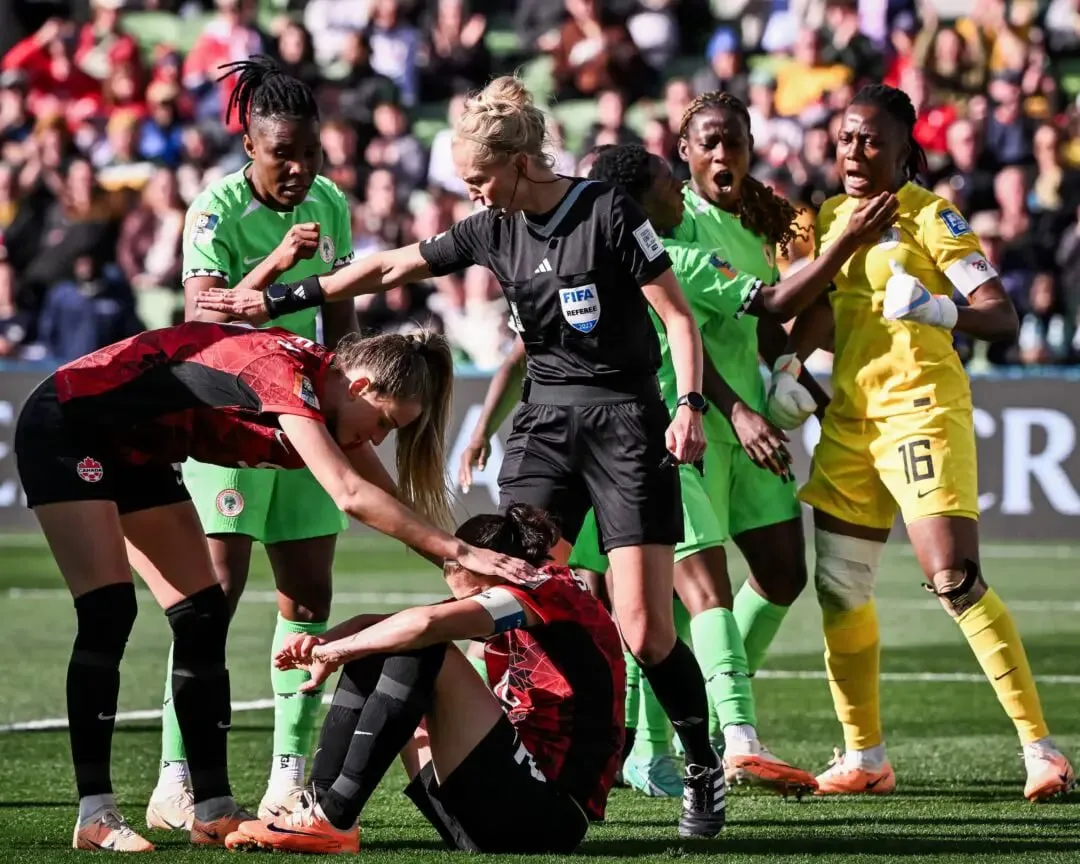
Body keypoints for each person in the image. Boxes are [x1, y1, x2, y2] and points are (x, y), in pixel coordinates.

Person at [198, 74, 726, 838]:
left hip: (626, 424)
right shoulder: (490, 228)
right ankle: (518, 749)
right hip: (545, 427)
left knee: (644, 630)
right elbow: (385, 269)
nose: (473, 196)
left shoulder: (606, 210)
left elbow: (678, 319)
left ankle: (702, 762)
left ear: (516, 163)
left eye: (479, 180)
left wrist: (689, 407)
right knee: (514, 590)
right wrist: (276, 300)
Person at [458, 139, 894, 800]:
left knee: (705, 600)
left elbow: (769, 322)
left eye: (734, 138)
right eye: (670, 174)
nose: (682, 185)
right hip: (653, 439)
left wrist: (787, 375)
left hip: (711, 435)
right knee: (672, 598)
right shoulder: (662, 251)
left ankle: (656, 744)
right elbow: (763, 306)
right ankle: (726, 739)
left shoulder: (727, 222)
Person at [13, 321, 532, 852]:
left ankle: (213, 810)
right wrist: (461, 550)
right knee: (108, 611)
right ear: (360, 387)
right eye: (382, 423)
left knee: (202, 613)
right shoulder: (284, 376)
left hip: (137, 449)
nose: (376, 439)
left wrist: (463, 572)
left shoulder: (333, 397)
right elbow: (350, 495)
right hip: (69, 422)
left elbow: (388, 500)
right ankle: (94, 813)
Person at [778, 83, 1075, 800]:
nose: (854, 150)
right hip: (850, 420)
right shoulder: (825, 218)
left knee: (954, 580)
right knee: (840, 588)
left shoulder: (931, 216)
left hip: (920, 413)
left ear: (905, 148)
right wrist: (798, 375)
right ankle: (865, 757)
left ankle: (1042, 751)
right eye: (846, 137)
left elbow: (999, 319)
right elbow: (824, 318)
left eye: (871, 139)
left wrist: (941, 308)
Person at [149, 55, 361, 827]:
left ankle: (287, 776)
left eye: (311, 153)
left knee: (309, 594)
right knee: (211, 604)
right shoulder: (213, 208)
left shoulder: (331, 204)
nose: (300, 169)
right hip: (225, 424)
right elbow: (202, 321)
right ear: (251, 145)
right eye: (284, 155)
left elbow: (340, 309)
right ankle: (178, 774)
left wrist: (347, 393)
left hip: (301, 423)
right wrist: (278, 265)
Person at [225, 503, 625, 855]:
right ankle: (317, 809)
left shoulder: (545, 587)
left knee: (422, 644)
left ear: (492, 570)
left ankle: (334, 818)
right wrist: (325, 644)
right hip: (503, 810)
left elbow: (425, 625)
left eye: (474, 595)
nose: (468, 604)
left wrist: (339, 651)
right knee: (385, 641)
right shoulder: (520, 588)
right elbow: (385, 625)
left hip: (549, 817)